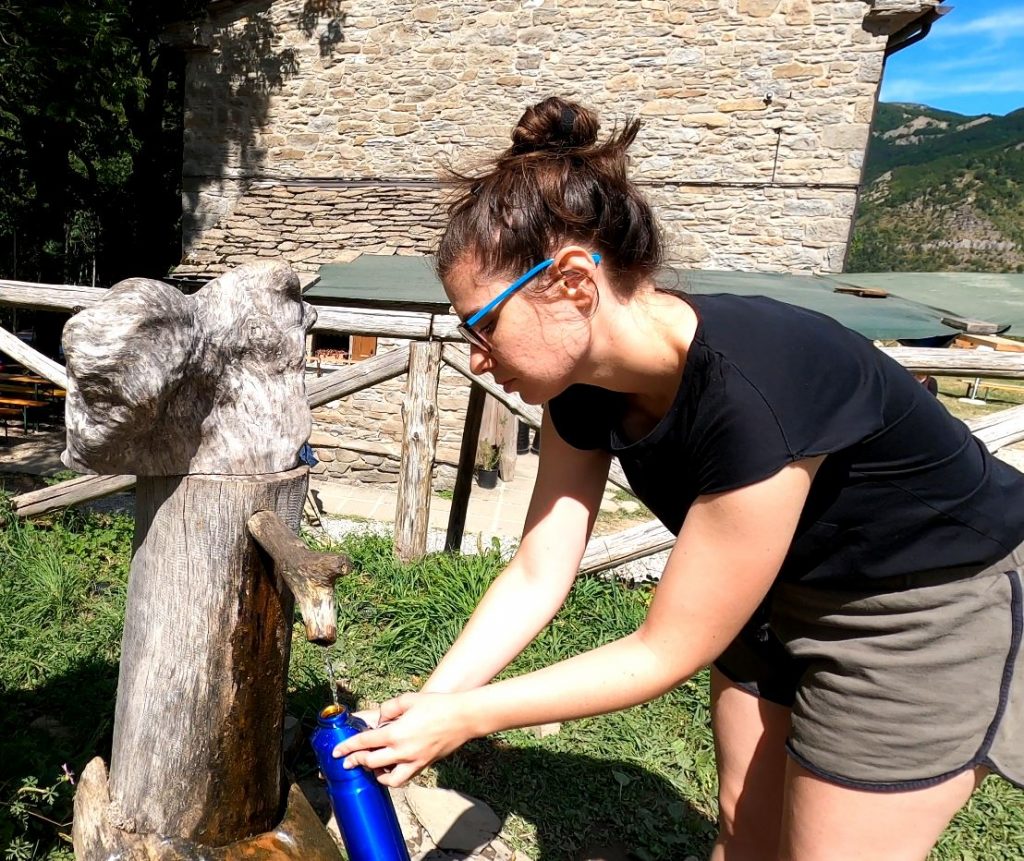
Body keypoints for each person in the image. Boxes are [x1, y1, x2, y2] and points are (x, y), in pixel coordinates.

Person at [334, 97, 1024, 860]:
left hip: (920, 609)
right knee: (744, 829)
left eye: (483, 324)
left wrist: (470, 716)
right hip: (776, 587)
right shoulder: (583, 390)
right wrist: (436, 701)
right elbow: (537, 569)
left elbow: (665, 650)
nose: (478, 356)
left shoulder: (757, 387)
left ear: (571, 282)